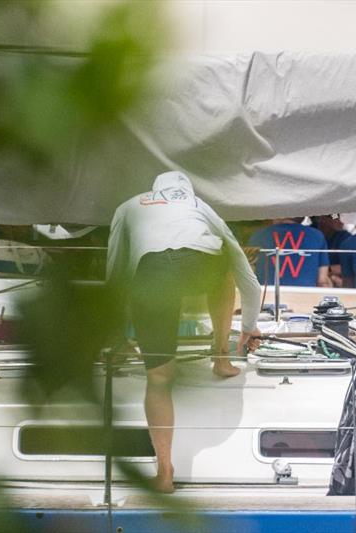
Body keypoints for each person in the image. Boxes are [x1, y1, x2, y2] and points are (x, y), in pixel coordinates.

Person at [106, 171, 262, 493]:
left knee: (160, 379)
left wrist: (115, 334)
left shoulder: (127, 207)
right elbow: (245, 274)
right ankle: (220, 356)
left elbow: (116, 272)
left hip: (152, 276)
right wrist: (248, 327)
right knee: (222, 270)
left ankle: (164, 471)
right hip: (199, 265)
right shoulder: (199, 205)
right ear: (186, 191)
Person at [248, 217, 331, 287]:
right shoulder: (317, 235)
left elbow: (249, 275)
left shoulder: (258, 236)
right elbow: (322, 281)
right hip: (304, 296)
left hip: (267, 296)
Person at [312, 215, 351, 287]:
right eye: (335, 216)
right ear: (321, 218)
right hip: (313, 280)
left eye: (341, 216)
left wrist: (327, 271)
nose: (340, 220)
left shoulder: (345, 236)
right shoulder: (310, 233)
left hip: (334, 278)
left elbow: (350, 266)